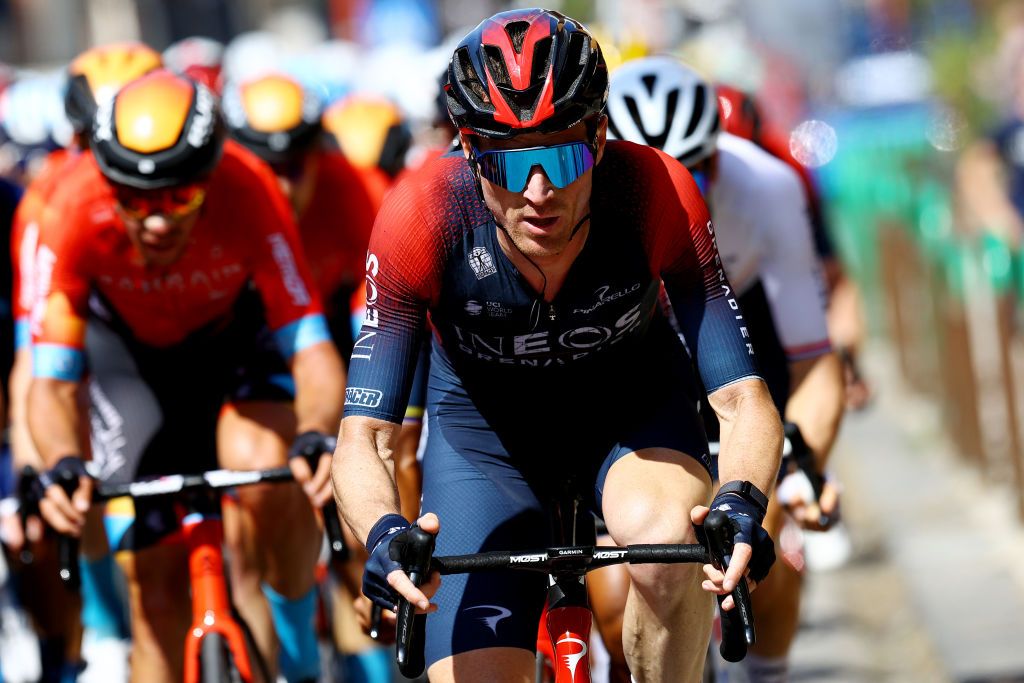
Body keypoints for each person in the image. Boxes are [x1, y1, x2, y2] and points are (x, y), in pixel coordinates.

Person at [332, 9, 782, 683]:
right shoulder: (422, 213)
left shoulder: (655, 192)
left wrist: (742, 498)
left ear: (599, 139)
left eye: (561, 157)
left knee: (667, 550)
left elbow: (742, 398)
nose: (537, 194)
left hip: (630, 420)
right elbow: (363, 437)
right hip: (485, 443)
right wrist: (381, 529)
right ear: (467, 151)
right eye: (507, 166)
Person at [29, 69, 344, 683]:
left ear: (208, 177)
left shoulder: (249, 188)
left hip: (230, 354)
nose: (155, 222)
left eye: (179, 199)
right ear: (106, 183)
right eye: (134, 201)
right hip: (132, 369)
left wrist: (315, 432)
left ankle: (297, 644)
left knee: (268, 477)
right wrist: (63, 459)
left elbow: (310, 348)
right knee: (155, 598)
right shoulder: (69, 206)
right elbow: (51, 379)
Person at [607, 56, 845, 682]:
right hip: (630, 364)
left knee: (763, 566)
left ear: (718, 154)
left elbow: (813, 358)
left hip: (737, 348)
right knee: (612, 596)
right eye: (649, 174)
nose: (674, 191)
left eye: (692, 170)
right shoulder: (581, 211)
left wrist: (803, 462)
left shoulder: (766, 187)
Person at [221, 71, 394, 681]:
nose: (283, 180)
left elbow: (377, 322)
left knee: (358, 510)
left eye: (297, 162)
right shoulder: (231, 198)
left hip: (338, 344)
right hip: (257, 352)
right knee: (251, 522)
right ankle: (291, 652)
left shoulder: (352, 191)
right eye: (265, 164)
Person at [6, 42, 162, 683]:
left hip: (183, 357)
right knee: (69, 480)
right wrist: (31, 468)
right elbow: (35, 359)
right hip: (97, 362)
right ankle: (95, 631)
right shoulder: (48, 202)